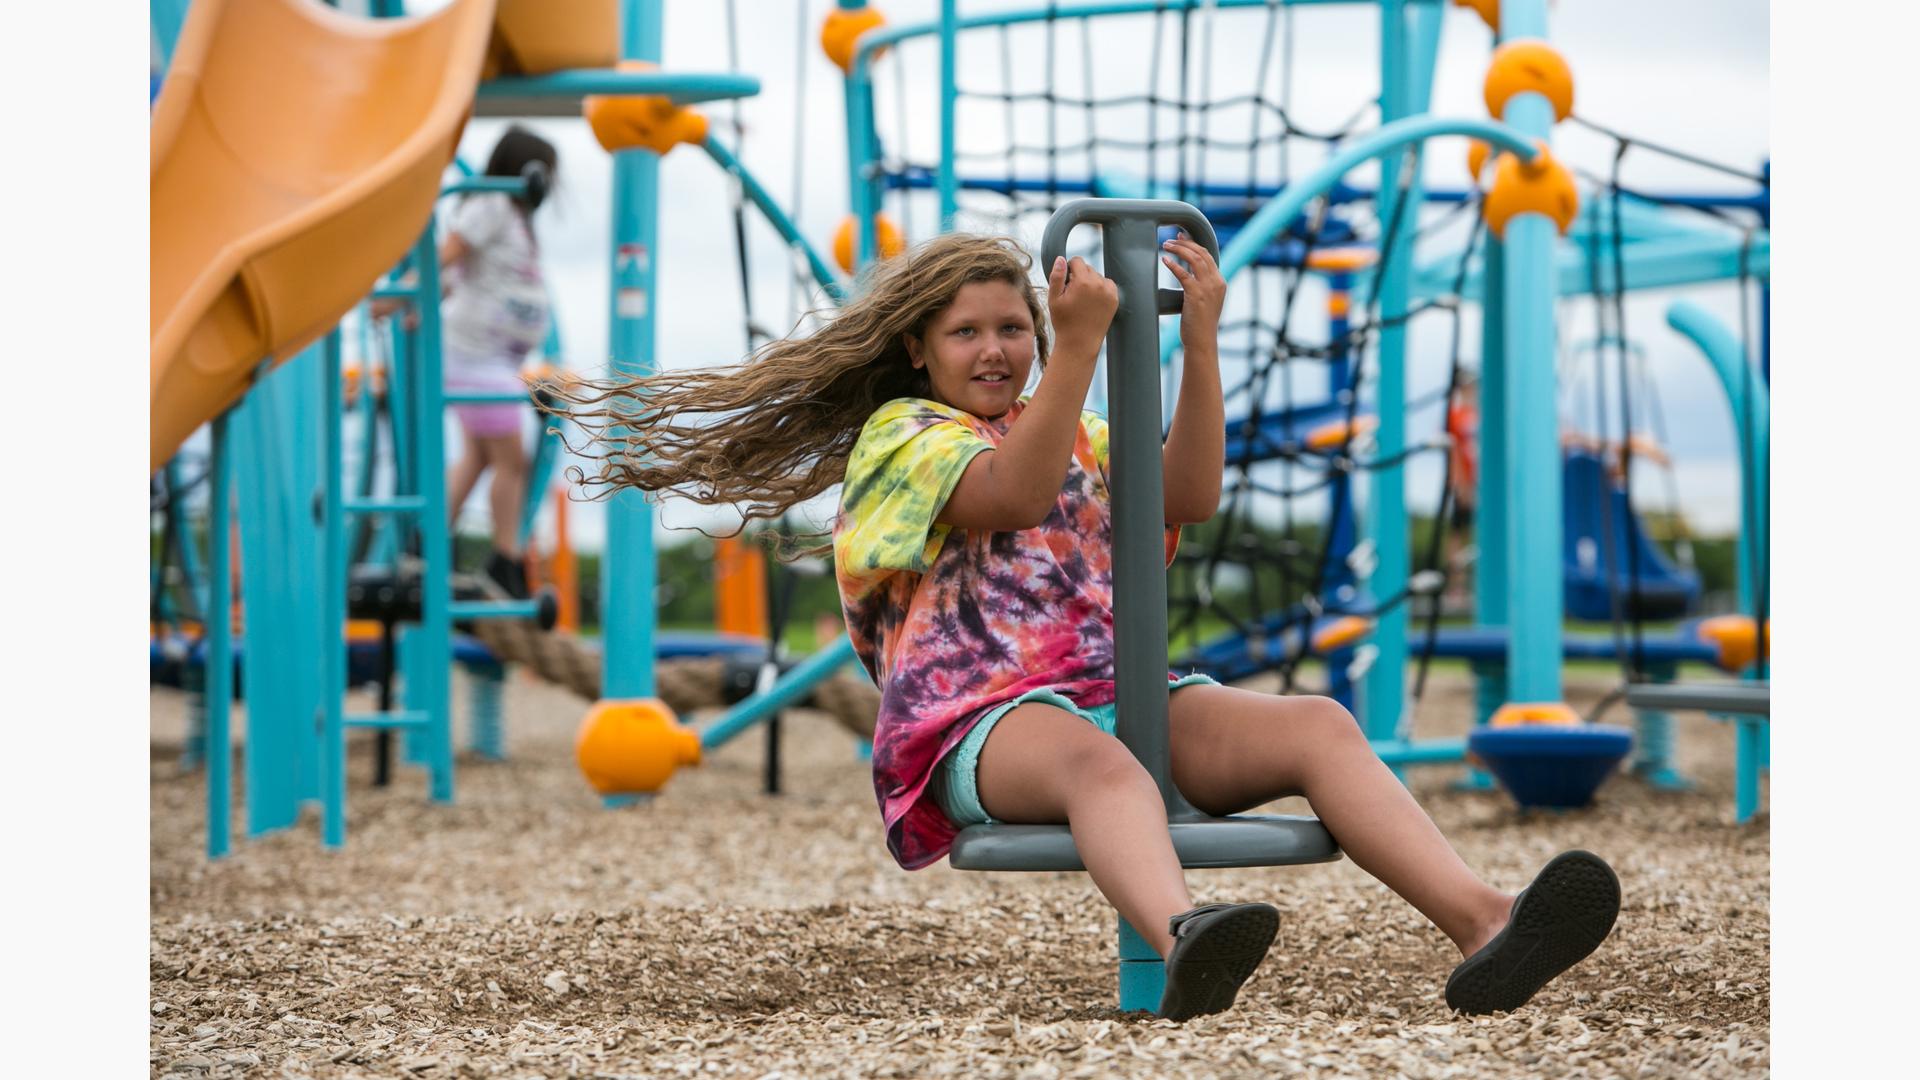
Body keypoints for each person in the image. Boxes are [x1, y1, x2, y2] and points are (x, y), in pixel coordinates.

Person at [558, 233, 1620, 1021]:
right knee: (1107, 771)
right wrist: (1076, 348)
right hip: (972, 721)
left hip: (1110, 689)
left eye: (1012, 328)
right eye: (967, 332)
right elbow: (1013, 496)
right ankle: (1185, 934)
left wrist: (1196, 341)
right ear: (919, 352)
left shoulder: (1075, 424)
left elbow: (1189, 491)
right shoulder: (905, 433)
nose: (995, 349)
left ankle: (1486, 922)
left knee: (1318, 727)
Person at [375, 126, 557, 597]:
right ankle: (505, 560)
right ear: (525, 172)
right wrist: (396, 301)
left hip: (493, 356)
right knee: (513, 462)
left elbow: (460, 274)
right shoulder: (492, 205)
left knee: (479, 457)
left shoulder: (513, 217)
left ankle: (426, 543)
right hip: (476, 357)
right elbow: (447, 256)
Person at [1444, 369, 1481, 609]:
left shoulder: (1478, 413)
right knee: (1459, 535)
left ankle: (1476, 584)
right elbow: (1453, 451)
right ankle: (1456, 588)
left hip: (1481, 484)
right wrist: (1460, 484)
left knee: (1480, 534)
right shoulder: (1455, 415)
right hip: (1464, 484)